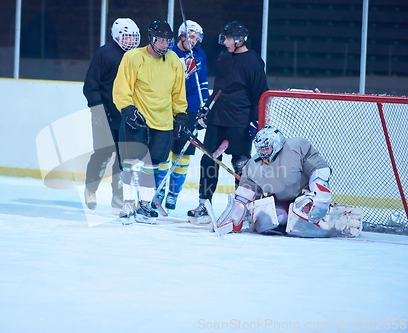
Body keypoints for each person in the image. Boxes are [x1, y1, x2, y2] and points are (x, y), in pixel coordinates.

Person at [187, 21, 269, 224]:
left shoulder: (253, 62)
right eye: (225, 38)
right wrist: (206, 110)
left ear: (240, 40)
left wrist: (256, 121)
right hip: (218, 118)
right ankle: (204, 204)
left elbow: (261, 94)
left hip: (239, 120)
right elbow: (219, 89)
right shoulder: (224, 57)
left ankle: (243, 207)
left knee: (240, 164)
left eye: (229, 38)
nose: (225, 42)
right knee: (208, 160)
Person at [213, 126, 360, 237]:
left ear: (277, 143)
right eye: (260, 149)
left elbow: (319, 170)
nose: (263, 153)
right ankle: (293, 222)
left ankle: (335, 221)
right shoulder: (253, 165)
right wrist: (232, 218)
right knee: (268, 218)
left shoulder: (296, 146)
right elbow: (243, 198)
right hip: (281, 202)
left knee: (300, 211)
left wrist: (320, 194)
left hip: (305, 198)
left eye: (266, 148)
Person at [113, 21, 188, 224]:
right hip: (137, 121)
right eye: (161, 40)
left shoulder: (174, 60)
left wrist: (180, 115)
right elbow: (121, 87)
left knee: (152, 166)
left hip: (163, 123)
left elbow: (178, 92)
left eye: (167, 41)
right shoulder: (133, 57)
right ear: (152, 38)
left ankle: (144, 205)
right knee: (130, 164)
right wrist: (127, 109)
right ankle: (128, 204)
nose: (164, 45)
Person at [82, 18, 140, 213]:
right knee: (103, 153)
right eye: (127, 36)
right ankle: (91, 188)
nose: (131, 40)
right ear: (116, 36)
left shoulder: (136, 56)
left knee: (124, 157)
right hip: (104, 113)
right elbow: (91, 84)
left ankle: (119, 195)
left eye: (133, 36)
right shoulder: (105, 53)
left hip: (125, 115)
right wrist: (97, 108)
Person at [153, 20, 210, 211]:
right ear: (182, 36)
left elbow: (202, 82)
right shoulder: (169, 53)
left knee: (183, 154)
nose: (193, 41)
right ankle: (159, 190)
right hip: (168, 108)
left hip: (191, 109)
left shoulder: (200, 55)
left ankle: (173, 193)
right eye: (190, 36)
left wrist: (205, 106)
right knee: (164, 151)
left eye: (196, 38)